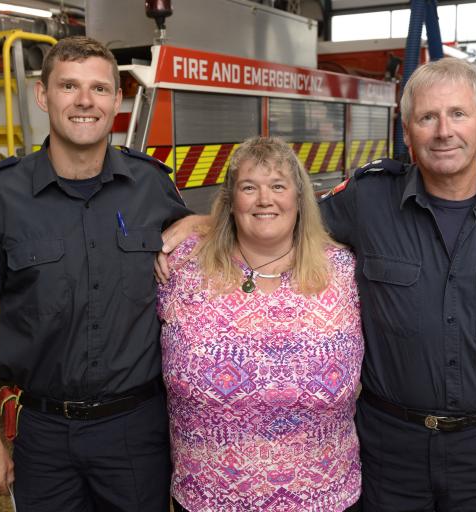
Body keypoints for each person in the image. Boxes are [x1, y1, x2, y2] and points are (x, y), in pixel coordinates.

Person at [157, 58, 476, 511]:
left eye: (458, 114)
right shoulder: (369, 198)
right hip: (389, 448)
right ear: (407, 132)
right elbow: (283, 215)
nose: (443, 131)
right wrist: (208, 220)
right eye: (427, 117)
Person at [0, 36, 190, 511]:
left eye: (99, 88)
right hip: (42, 432)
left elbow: (205, 257)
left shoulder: (153, 186)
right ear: (43, 95)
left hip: (136, 431)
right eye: (69, 86)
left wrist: (200, 220)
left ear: (117, 100)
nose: (84, 101)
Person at [156, 136, 364, 512]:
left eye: (278, 186)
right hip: (206, 500)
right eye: (249, 187)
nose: (264, 199)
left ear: (300, 200)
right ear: (230, 201)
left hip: (324, 499)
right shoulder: (181, 266)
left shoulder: (344, 271)